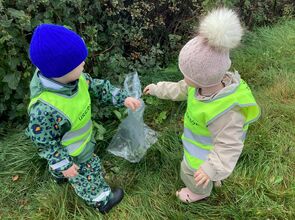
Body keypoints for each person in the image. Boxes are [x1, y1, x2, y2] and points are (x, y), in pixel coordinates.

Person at [143, 8, 260, 203]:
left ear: (201, 78)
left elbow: (229, 144)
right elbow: (178, 89)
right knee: (207, 170)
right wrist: (157, 89)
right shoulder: (201, 85)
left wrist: (210, 168)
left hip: (202, 154)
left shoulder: (226, 111)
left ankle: (199, 192)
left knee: (190, 171)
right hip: (202, 146)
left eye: (186, 75)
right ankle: (214, 176)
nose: (184, 78)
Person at [26, 24, 141, 213]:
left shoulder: (74, 79)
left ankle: (59, 174)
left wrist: (123, 98)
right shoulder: (44, 109)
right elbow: (46, 143)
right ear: (61, 70)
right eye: (79, 63)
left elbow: (98, 87)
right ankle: (102, 200)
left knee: (62, 167)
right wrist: (65, 164)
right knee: (90, 173)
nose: (83, 64)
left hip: (76, 142)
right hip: (74, 151)